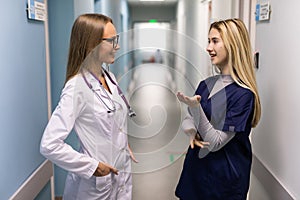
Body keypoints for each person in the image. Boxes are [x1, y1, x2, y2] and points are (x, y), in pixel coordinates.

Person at [40, 13, 137, 200]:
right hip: (96, 186)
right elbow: (49, 145)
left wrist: (123, 144)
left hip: (121, 174)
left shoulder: (109, 78)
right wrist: (93, 166)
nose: (117, 46)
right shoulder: (76, 88)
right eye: (111, 40)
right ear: (92, 44)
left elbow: (111, 123)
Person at [175, 18, 261, 200]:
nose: (208, 47)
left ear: (232, 44)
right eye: (208, 41)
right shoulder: (206, 84)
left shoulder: (243, 95)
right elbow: (189, 119)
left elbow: (214, 142)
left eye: (215, 41)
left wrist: (195, 107)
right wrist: (191, 131)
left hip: (223, 182)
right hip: (196, 173)